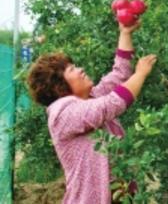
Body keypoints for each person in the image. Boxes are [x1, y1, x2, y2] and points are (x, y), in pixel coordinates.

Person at [27, 22, 157, 204]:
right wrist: (140, 74)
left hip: (122, 195)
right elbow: (112, 104)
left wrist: (125, 33)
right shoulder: (62, 113)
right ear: (59, 86)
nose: (80, 69)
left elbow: (120, 73)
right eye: (72, 69)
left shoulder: (91, 97)